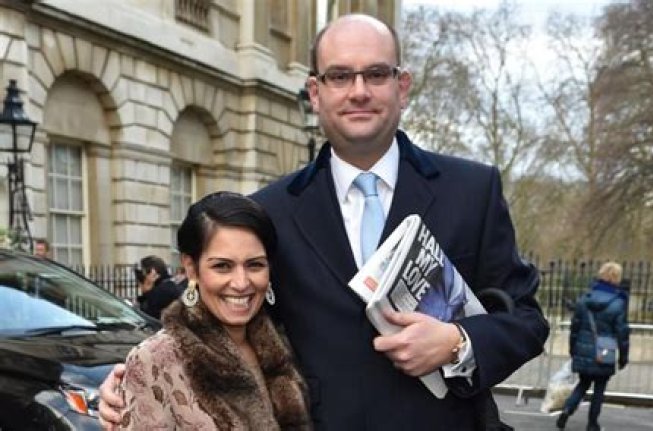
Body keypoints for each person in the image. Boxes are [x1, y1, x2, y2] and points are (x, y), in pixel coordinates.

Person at [100, 14, 548, 430]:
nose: (359, 91)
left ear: (402, 86)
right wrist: (138, 377)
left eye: (376, 74)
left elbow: (526, 320)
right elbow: (226, 318)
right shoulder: (271, 209)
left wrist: (456, 342)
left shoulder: (471, 190)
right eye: (340, 76)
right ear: (315, 92)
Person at [116, 192, 310, 429]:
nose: (241, 283)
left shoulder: (287, 344)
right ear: (191, 268)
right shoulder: (155, 359)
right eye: (222, 266)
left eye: (255, 265)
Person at [556, 262, 630, 431]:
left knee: (583, 384)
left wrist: (573, 349)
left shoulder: (585, 299)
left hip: (584, 348)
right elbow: (622, 333)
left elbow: (575, 327)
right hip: (605, 351)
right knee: (599, 389)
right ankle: (592, 423)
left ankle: (567, 410)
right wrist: (623, 357)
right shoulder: (618, 303)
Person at [134, 255, 182, 319]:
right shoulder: (169, 285)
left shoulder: (160, 292)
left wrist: (147, 292)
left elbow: (147, 317)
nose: (139, 284)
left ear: (152, 273)